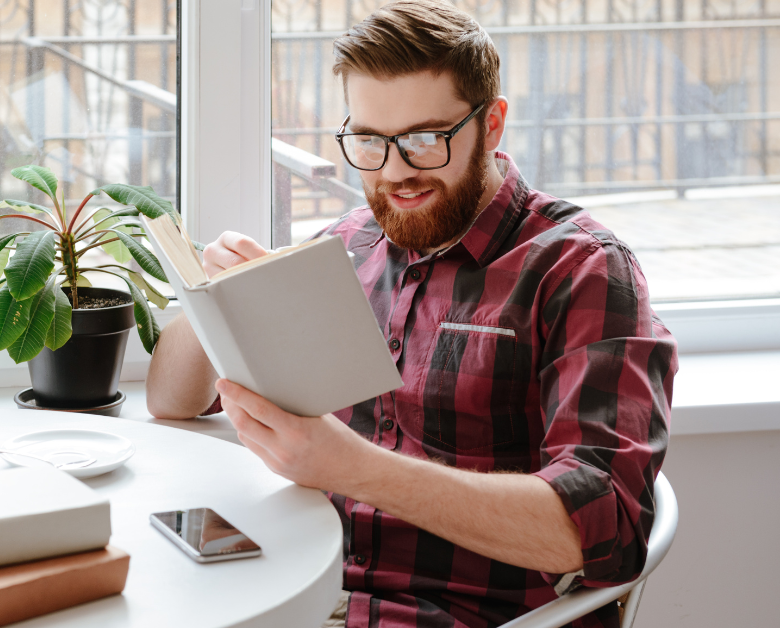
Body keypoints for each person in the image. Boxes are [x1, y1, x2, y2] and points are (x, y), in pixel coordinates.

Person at [144, 1, 678, 626]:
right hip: (301, 593)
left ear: (493, 124)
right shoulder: (347, 247)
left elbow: (604, 528)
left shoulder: (579, 269)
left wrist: (351, 468)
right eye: (370, 140)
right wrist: (218, 299)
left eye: (426, 139)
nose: (396, 171)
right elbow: (171, 401)